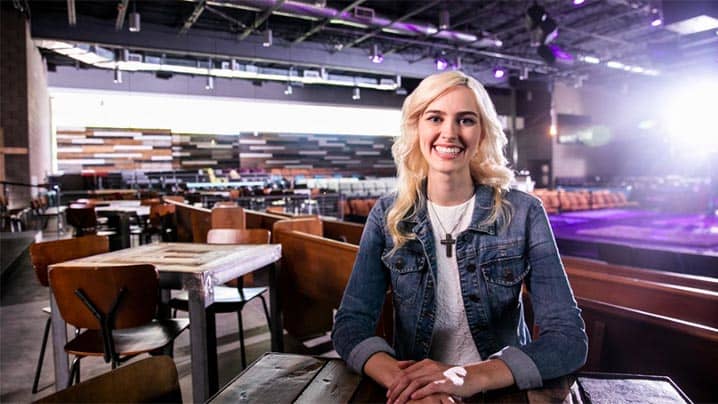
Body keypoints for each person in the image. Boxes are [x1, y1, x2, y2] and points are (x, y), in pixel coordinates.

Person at [331, 71, 587, 404]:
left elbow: (568, 339)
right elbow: (350, 324)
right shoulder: (387, 215)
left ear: (482, 133)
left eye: (465, 120)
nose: (449, 133)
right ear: (417, 127)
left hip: (500, 391)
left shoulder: (525, 213)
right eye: (435, 118)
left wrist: (466, 377)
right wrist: (408, 384)